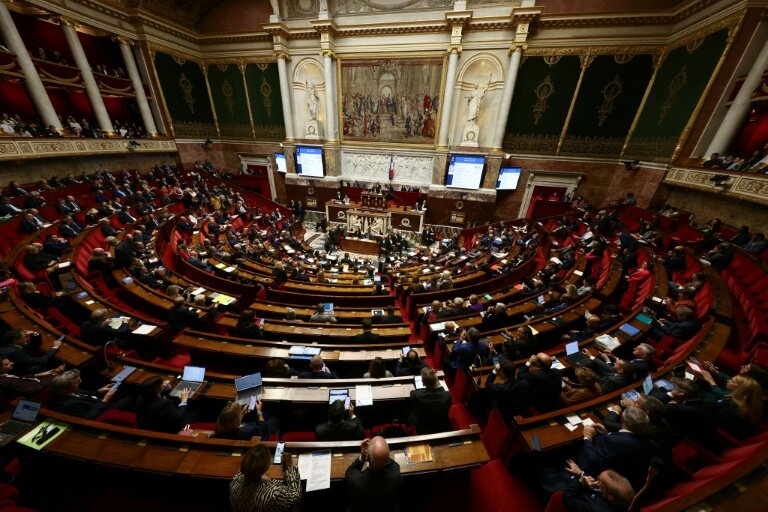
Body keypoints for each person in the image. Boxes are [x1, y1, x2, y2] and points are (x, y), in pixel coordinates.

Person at [229, 444, 301, 512]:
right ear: (267, 465)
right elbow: (295, 496)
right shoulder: (273, 494)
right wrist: (290, 467)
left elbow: (248, 471)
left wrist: (260, 474)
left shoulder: (236, 480)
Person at [345, 437, 402, 512]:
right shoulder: (396, 476)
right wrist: (382, 456)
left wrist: (362, 458)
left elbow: (350, 471)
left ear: (367, 458)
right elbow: (394, 465)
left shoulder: (354, 479)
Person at [48, 369, 118, 420]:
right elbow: (88, 417)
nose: (81, 381)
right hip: (103, 411)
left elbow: (89, 395)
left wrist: (100, 391)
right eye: (78, 381)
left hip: (98, 402)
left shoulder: (69, 390)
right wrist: (104, 401)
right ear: (66, 388)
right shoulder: (70, 405)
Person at [562, 469, 636, 512]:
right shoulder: (622, 497)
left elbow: (568, 498)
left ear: (610, 497)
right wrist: (581, 473)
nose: (597, 479)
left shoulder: (594, 508)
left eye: (600, 480)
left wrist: (580, 482)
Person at [409, 367, 451, 434]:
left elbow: (412, 393)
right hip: (442, 426)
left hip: (425, 429)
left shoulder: (417, 395)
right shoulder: (447, 395)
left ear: (423, 383)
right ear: (436, 380)